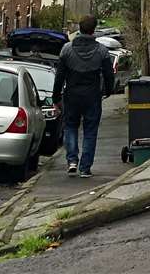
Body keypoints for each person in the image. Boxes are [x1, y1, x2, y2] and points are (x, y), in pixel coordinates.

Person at [52, 15, 115, 178]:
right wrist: (109, 91)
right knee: (90, 131)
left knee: (70, 126)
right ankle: (85, 168)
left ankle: (72, 160)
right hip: (93, 96)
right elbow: (109, 75)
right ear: (94, 30)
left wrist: (55, 97)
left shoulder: (67, 49)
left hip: (72, 95)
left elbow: (59, 76)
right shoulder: (102, 51)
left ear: (80, 29)